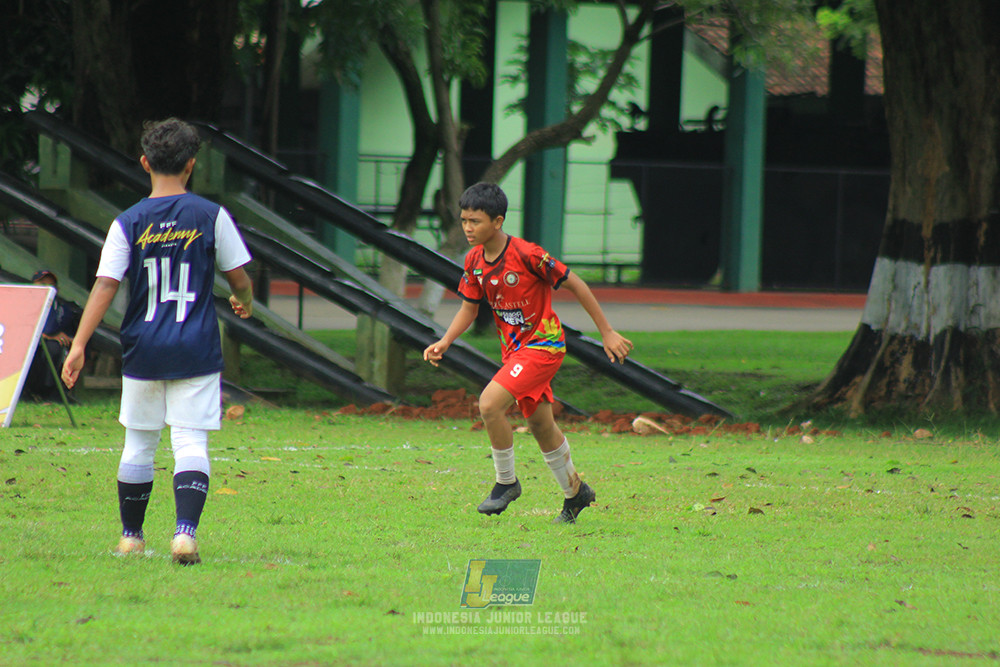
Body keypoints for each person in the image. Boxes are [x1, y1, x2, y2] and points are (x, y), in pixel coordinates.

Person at [62, 118, 254, 565]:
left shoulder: (128, 221)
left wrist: (78, 344)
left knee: (139, 444)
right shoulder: (211, 216)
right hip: (195, 348)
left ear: (145, 163)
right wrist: (244, 300)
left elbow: (106, 285)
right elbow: (239, 277)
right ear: (191, 166)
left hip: (143, 348)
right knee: (190, 442)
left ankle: (131, 537)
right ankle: (184, 534)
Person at [423, 182, 633, 523]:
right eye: (463, 220)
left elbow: (575, 283)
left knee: (489, 404)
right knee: (539, 423)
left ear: (498, 221)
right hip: (515, 352)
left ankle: (506, 483)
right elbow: (469, 309)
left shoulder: (528, 255)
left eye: (474, 221)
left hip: (544, 346)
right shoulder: (474, 259)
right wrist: (445, 340)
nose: (467, 228)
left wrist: (607, 332)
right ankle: (575, 493)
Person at [24, 269, 78, 401]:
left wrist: (62, 337)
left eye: (50, 286)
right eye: (42, 284)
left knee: (54, 348)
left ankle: (50, 393)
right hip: (25, 346)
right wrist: (46, 335)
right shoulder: (24, 303)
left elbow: (56, 328)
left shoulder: (62, 308)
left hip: (49, 351)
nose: (46, 289)